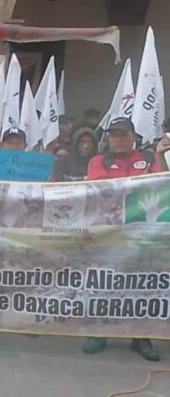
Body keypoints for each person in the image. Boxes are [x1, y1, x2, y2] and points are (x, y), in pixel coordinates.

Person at [82, 117, 170, 361]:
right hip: (109, 232)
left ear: (134, 137)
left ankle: (140, 336)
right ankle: (97, 332)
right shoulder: (98, 161)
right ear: (108, 138)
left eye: (123, 134)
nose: (118, 139)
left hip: (143, 233)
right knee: (102, 283)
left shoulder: (150, 159)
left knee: (140, 287)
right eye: (113, 135)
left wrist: (161, 156)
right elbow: (104, 189)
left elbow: (163, 186)